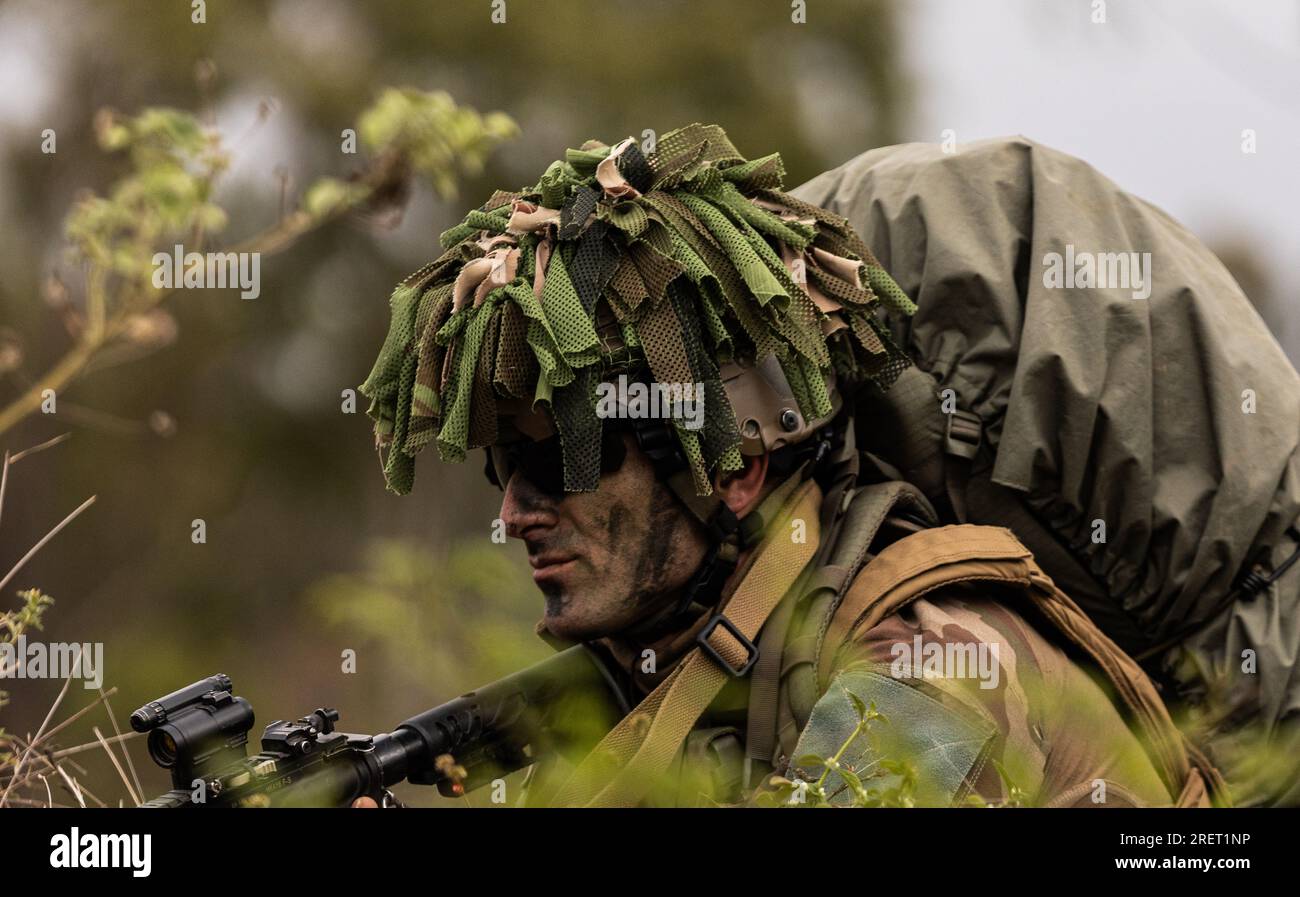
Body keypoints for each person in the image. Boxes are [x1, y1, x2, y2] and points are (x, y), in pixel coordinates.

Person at [357, 124, 1218, 807]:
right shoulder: (687, 667)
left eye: (564, 455)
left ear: (731, 467)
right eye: (505, 463)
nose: (514, 512)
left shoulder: (936, 663)